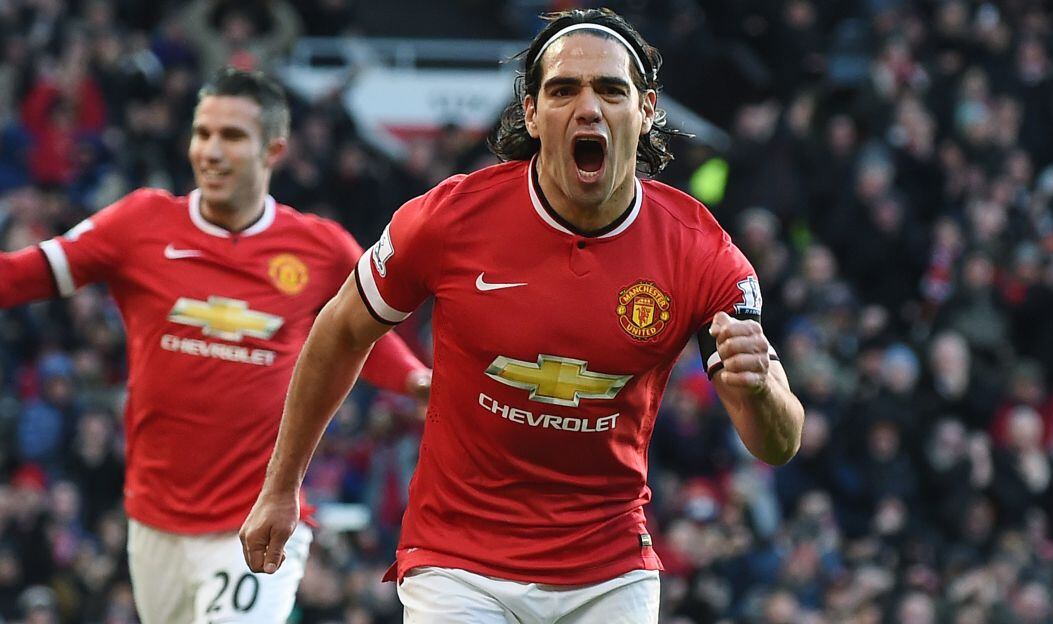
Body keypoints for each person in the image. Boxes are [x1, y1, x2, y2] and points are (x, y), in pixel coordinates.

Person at [241, 9, 804, 623]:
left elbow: (778, 443)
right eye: (563, 90)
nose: (588, 108)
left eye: (610, 90)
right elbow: (340, 331)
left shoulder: (702, 253)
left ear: (645, 110)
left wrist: (758, 390)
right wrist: (281, 487)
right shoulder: (449, 220)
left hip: (608, 570)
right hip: (457, 561)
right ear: (532, 114)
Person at [0, 67, 432, 624]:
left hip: (256, 516)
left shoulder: (319, 247)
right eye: (202, 133)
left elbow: (359, 334)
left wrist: (413, 380)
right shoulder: (139, 223)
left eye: (232, 136)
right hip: (154, 518)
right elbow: (22, 275)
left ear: (273, 149)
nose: (211, 150)